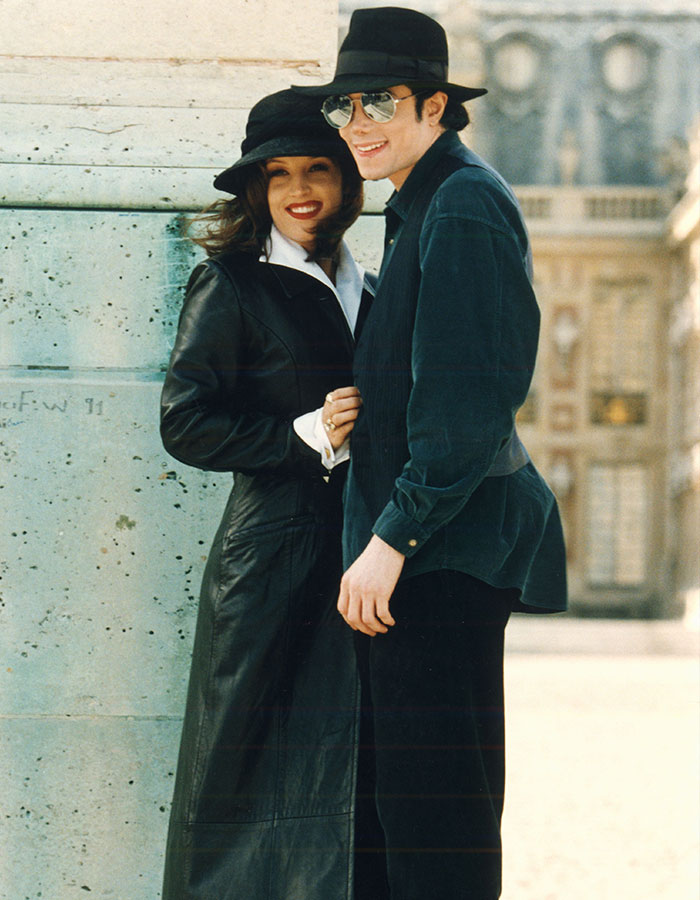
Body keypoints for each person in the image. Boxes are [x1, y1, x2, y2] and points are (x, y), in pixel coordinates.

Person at [295, 8, 568, 900]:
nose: (358, 123)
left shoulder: (464, 204)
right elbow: (430, 375)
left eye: (381, 99)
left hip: (437, 555)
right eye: (344, 106)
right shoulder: (425, 202)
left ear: (438, 104)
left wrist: (390, 542)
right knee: (398, 820)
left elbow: (469, 404)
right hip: (426, 550)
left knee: (434, 823)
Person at [159, 89, 373, 900]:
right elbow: (187, 424)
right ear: (256, 189)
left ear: (347, 180)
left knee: (340, 785)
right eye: (277, 174)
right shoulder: (233, 286)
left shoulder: (375, 288)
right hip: (270, 561)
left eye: (316, 166)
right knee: (242, 784)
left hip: (360, 562)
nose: (299, 188)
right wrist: (304, 434)